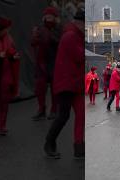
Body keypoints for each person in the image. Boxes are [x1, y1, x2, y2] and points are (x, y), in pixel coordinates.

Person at [44, 10, 84, 159]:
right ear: (79, 23)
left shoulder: (76, 35)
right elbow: (80, 56)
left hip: (75, 82)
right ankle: (49, 142)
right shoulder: (70, 36)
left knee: (81, 114)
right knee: (63, 116)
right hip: (67, 83)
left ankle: (79, 147)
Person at [31, 7, 62, 121]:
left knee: (55, 88)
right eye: (47, 16)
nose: (48, 18)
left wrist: (50, 37)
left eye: (51, 16)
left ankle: (54, 109)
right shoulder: (40, 28)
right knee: (40, 87)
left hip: (54, 60)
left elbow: (60, 42)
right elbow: (33, 43)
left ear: (54, 17)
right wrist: (35, 37)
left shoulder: (58, 29)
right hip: (42, 61)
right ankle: (41, 109)